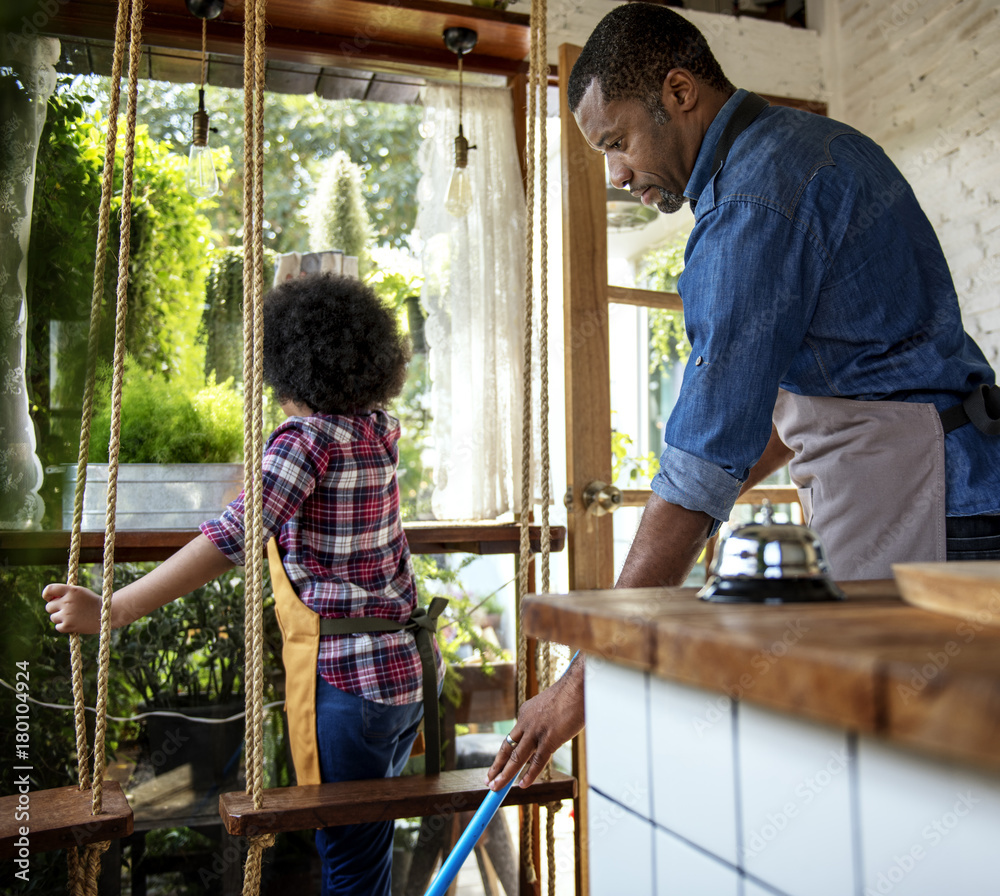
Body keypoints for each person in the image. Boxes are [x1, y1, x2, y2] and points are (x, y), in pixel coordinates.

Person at [487, 2, 1000, 793]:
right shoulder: (811, 149)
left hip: (936, 503)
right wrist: (715, 492)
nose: (617, 174)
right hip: (944, 482)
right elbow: (807, 405)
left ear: (680, 91)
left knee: (933, 789)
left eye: (617, 141)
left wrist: (584, 676)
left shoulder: (755, 203)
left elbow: (700, 462)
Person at [44, 272, 445, 896]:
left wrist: (116, 607)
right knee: (367, 848)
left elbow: (232, 538)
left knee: (347, 861)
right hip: (404, 673)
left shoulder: (304, 440)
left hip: (344, 680)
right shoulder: (376, 431)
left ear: (288, 367)